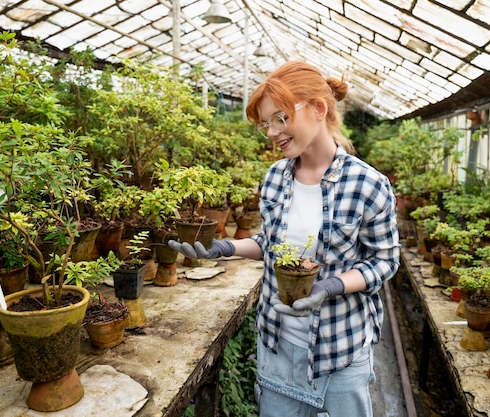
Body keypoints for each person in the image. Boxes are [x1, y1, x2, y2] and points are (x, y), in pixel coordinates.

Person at [169, 61, 400, 417]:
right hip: (277, 343)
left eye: (280, 118)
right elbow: (271, 243)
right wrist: (225, 247)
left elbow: (385, 261)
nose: (272, 133)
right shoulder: (277, 177)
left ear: (319, 109)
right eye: (265, 124)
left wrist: (332, 286)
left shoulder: (367, 184)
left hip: (339, 351)